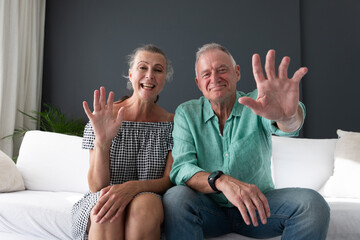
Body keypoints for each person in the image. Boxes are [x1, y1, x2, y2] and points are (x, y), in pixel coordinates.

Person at [163, 43, 330, 240]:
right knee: (175, 198)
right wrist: (221, 181)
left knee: (313, 205)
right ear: (199, 83)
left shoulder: (258, 102)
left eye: (222, 70)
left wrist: (287, 116)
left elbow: (289, 126)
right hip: (208, 209)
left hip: (258, 207)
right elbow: (182, 168)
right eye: (206, 74)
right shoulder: (186, 113)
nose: (214, 79)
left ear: (237, 73)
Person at [71, 44, 174, 240]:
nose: (150, 75)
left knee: (144, 208)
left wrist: (132, 188)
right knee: (107, 212)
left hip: (149, 197)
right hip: (105, 194)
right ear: (130, 74)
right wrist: (102, 141)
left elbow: (168, 181)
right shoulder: (104, 117)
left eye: (158, 70)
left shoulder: (172, 123)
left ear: (164, 79)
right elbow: (96, 186)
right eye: (142, 67)